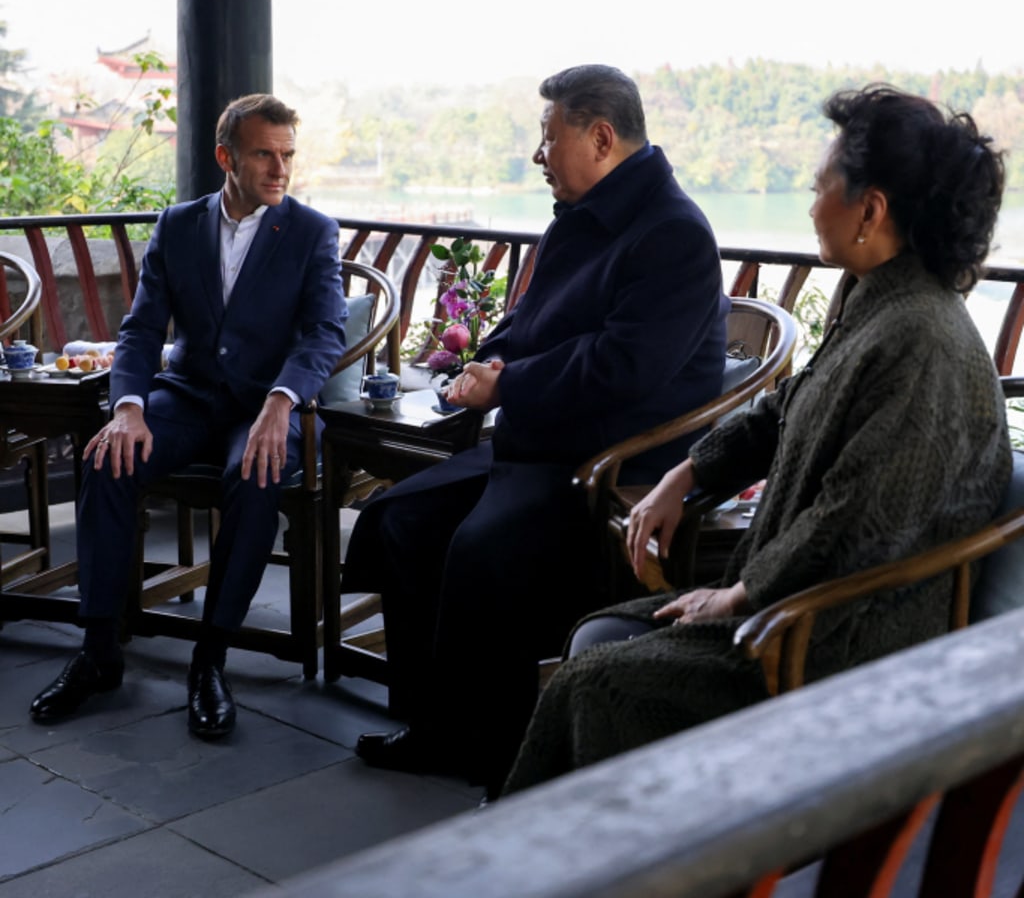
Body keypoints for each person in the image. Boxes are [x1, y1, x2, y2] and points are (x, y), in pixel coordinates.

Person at [501, 83, 1011, 794]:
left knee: (595, 682)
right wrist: (688, 474)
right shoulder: (876, 300)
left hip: (839, 637)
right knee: (594, 635)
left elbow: (858, 522)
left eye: (819, 188)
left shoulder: (921, 339)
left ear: (870, 210)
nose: (809, 206)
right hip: (797, 601)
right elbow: (784, 407)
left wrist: (741, 594)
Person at [347, 64, 730, 797]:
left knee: (482, 546)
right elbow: (531, 321)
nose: (538, 154)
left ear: (601, 137)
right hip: (538, 440)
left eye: (547, 138)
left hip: (607, 457)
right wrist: (482, 358)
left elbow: (625, 366)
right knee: (398, 518)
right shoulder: (584, 216)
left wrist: (510, 385)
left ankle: (500, 750)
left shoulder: (673, 234)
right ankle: (436, 725)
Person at [29, 93, 347, 737]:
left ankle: (211, 659)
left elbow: (324, 335)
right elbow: (143, 330)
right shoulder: (178, 225)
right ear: (226, 156)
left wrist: (281, 403)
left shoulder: (312, 231)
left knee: (255, 474)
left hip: (264, 406)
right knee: (107, 460)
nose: (281, 169)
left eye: (288, 155)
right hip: (190, 393)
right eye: (265, 154)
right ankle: (97, 652)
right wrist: (127, 408)